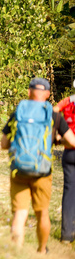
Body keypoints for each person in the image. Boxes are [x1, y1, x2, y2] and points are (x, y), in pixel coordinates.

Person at [1, 77, 75, 253]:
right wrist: (56, 141)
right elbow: (72, 143)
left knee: (20, 213)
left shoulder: (18, 113)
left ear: (28, 92)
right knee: (42, 212)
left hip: (19, 169)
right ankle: (42, 250)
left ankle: (17, 255)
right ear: (48, 94)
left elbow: (4, 144)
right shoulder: (53, 115)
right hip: (42, 170)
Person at [53, 81, 75, 245]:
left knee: (69, 191)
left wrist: (58, 135)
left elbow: (53, 112)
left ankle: (66, 234)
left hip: (69, 152)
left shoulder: (68, 101)